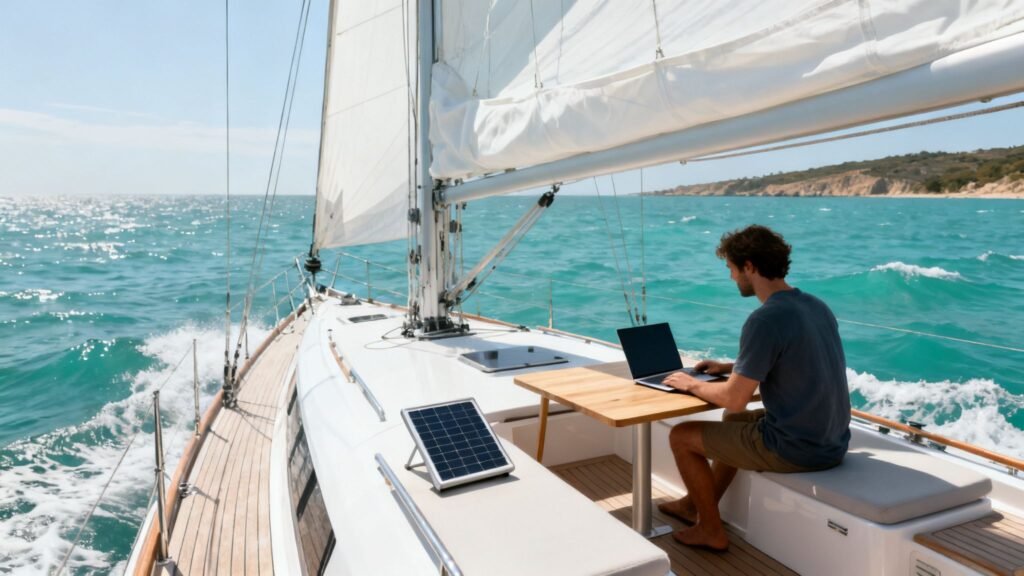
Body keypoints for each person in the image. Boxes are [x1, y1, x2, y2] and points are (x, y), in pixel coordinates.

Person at [659, 224, 850, 551]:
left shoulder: (764, 319)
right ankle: (694, 505)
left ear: (749, 266)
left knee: (681, 437)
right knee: (734, 425)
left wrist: (690, 384)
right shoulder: (815, 305)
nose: (732, 277)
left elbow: (734, 399)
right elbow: (792, 355)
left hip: (797, 448)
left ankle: (710, 530)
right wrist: (731, 367)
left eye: (732, 268)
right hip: (832, 439)